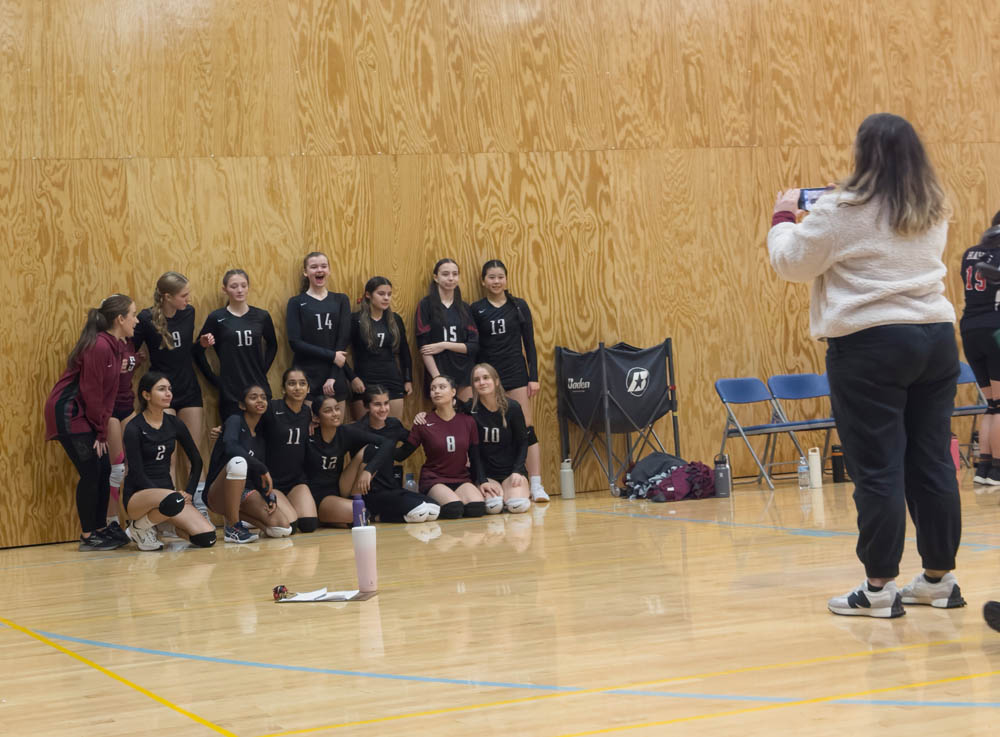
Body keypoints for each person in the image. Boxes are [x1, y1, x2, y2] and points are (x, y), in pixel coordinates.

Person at [768, 112, 965, 617]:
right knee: (932, 460)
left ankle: (879, 589)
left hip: (872, 344)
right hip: (937, 338)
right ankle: (939, 580)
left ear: (862, 154)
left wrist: (784, 217)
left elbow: (792, 263)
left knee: (878, 468)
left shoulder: (839, 208)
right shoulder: (932, 206)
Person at [45, 294, 137, 551]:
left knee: (105, 471)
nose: (136, 320)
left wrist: (100, 428)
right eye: (133, 314)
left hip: (86, 413)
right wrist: (100, 432)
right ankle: (88, 535)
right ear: (120, 319)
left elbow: (108, 394)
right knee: (91, 472)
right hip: (69, 413)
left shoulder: (115, 345)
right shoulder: (99, 346)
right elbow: (92, 392)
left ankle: (99, 529)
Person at [472, 260, 548, 501]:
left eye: (500, 277)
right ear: (483, 281)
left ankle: (535, 484)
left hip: (516, 373)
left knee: (526, 429)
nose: (496, 282)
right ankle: (485, 481)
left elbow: (530, 344)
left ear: (506, 279)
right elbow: (475, 346)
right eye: (491, 277)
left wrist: (533, 377)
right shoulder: (477, 309)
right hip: (490, 376)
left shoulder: (518, 305)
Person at [121, 372, 216, 551]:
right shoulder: (134, 427)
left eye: (170, 389)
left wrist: (189, 491)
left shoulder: (174, 423)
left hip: (169, 498)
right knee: (173, 500)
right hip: (138, 496)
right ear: (146, 395)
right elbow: (136, 472)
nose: (168, 394)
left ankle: (166, 525)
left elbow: (197, 461)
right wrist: (165, 497)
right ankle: (138, 528)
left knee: (207, 537)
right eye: (162, 389)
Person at [133, 272, 206, 501]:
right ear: (167, 297)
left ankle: (199, 505)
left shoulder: (189, 313)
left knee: (193, 453)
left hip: (189, 388)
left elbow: (187, 351)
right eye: (184, 295)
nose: (188, 299)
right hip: (162, 393)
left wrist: (201, 346)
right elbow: (130, 349)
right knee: (169, 458)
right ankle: (169, 509)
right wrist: (136, 360)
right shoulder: (145, 319)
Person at [204, 385, 297, 543]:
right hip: (218, 492)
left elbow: (257, 476)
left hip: (245, 492)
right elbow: (231, 447)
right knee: (238, 462)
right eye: (253, 397)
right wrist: (261, 467)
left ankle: (237, 519)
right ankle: (232, 528)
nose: (260, 400)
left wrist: (270, 497)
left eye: (263, 397)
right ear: (242, 405)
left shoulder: (260, 438)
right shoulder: (235, 420)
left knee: (282, 528)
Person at [344, 386, 441, 522]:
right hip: (370, 493)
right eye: (377, 404)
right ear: (367, 406)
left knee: (434, 508)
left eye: (386, 403)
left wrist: (421, 421)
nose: (383, 409)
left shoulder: (393, 424)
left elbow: (401, 454)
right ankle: (376, 514)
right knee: (419, 511)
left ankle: (378, 516)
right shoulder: (357, 429)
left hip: (391, 487)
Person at [194, 269, 277, 420]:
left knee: (262, 439)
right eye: (234, 286)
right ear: (224, 289)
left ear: (248, 287)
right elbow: (196, 351)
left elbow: (273, 345)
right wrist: (214, 379)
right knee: (233, 438)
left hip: (258, 387)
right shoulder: (216, 317)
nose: (239, 290)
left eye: (243, 285)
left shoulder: (262, 316)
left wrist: (262, 370)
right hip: (231, 391)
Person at [405, 375, 490, 518]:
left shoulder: (468, 421)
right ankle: (428, 500)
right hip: (434, 479)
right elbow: (403, 452)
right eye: (433, 389)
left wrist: (482, 481)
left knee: (477, 509)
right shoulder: (424, 421)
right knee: (454, 509)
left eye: (442, 387)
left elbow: (475, 456)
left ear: (453, 392)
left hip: (461, 478)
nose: (436, 391)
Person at [305, 395, 394, 526]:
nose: (335, 414)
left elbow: (388, 443)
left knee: (371, 450)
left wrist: (369, 470)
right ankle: (333, 517)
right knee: (361, 514)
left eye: (337, 409)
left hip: (339, 487)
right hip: (318, 496)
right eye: (328, 411)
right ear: (316, 418)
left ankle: (349, 506)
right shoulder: (309, 436)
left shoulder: (344, 431)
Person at [959, 225, 1000, 485]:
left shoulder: (970, 253)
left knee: (993, 405)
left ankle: (984, 468)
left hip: (969, 328)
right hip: (995, 328)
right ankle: (998, 470)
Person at [286, 252, 352, 411]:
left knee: (335, 430)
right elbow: (295, 343)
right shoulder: (296, 302)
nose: (319, 270)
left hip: (335, 376)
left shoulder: (341, 299)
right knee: (309, 430)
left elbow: (342, 342)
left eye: (323, 266)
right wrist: (331, 356)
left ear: (329, 270)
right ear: (305, 272)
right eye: (313, 267)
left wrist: (332, 377)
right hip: (307, 375)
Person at [259, 368, 319, 533]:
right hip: (273, 480)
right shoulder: (271, 408)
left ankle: (287, 506)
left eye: (302, 384)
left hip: (296, 480)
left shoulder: (308, 412)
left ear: (308, 389)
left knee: (309, 525)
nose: (297, 388)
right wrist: (226, 429)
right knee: (290, 527)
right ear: (284, 388)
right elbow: (249, 424)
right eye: (292, 384)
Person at [468, 363, 532, 514]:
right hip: (487, 474)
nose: (482, 382)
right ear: (473, 385)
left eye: (486, 378)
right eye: (477, 380)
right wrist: (482, 480)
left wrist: (517, 470)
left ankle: (509, 494)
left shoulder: (513, 407)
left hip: (511, 472)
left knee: (518, 505)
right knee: (493, 507)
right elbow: (473, 451)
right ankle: (501, 498)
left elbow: (523, 442)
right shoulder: (470, 409)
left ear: (496, 381)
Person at [349, 277, 413, 420]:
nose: (386, 298)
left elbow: (404, 352)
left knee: (392, 430)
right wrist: (352, 378)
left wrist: (408, 379)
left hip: (392, 380)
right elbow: (339, 351)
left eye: (389, 294)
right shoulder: (355, 319)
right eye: (381, 294)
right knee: (365, 434)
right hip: (364, 382)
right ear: (368, 295)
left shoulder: (395, 319)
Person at [415, 259, 479, 401]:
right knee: (446, 418)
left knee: (467, 417)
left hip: (464, 372)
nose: (451, 278)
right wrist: (438, 379)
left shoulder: (464, 307)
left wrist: (444, 345)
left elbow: (473, 346)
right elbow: (424, 347)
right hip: (439, 370)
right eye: (445, 274)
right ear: (436, 278)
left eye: (455, 274)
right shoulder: (425, 305)